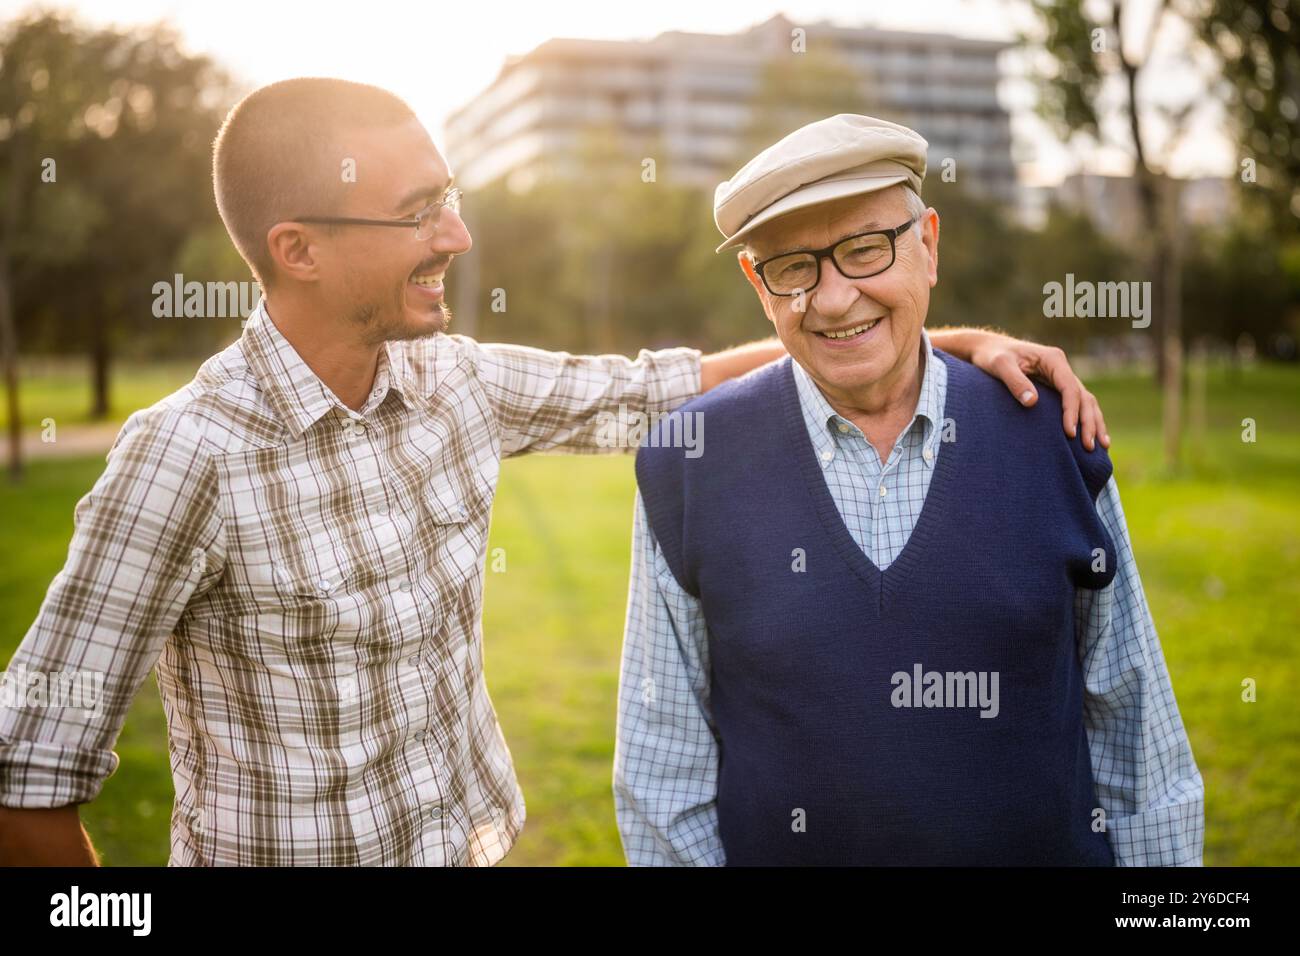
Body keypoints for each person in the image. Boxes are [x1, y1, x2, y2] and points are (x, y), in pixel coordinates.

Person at [0, 83, 1104, 866]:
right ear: (299, 249)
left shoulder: (454, 383)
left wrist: (928, 337)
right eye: (418, 211)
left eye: (451, 193)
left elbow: (665, 382)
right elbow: (29, 778)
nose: (459, 232)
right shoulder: (183, 456)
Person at [615, 114, 1202, 866]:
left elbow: (1136, 741)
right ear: (758, 285)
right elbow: (664, 780)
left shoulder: (1051, 436)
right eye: (793, 266)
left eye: (864, 249)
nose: (832, 299)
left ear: (927, 243)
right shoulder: (687, 464)